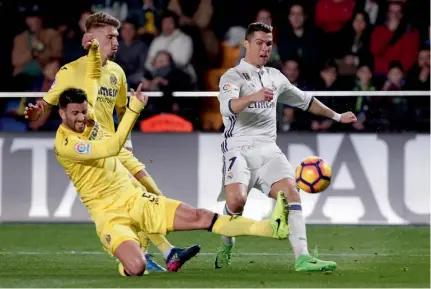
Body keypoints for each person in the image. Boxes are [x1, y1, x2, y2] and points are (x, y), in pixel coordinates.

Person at [54, 40, 289, 277]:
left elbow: (93, 76)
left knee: (200, 216)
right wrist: (134, 110)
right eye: (75, 113)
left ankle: (271, 228)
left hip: (135, 198)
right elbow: (112, 147)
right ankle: (136, 256)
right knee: (136, 267)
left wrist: (94, 49)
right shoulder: (67, 145)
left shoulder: (89, 115)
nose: (82, 117)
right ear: (61, 113)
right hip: (108, 214)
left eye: (84, 111)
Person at [24, 12, 198, 273]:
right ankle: (157, 252)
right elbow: (46, 105)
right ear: (92, 38)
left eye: (117, 37)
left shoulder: (117, 71)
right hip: (97, 152)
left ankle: (161, 251)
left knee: (153, 195)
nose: (116, 42)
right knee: (140, 198)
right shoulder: (70, 71)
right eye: (110, 37)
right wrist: (38, 112)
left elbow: (121, 110)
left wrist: (126, 141)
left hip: (117, 146)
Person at [216, 22, 357, 272]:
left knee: (292, 192)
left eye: (268, 44)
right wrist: (252, 97)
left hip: (269, 149)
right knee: (236, 203)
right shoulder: (232, 76)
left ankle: (303, 258)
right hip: (238, 149)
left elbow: (305, 101)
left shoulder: (275, 76)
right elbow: (227, 107)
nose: (264, 48)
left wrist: (337, 117)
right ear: (246, 44)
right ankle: (226, 243)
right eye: (259, 43)